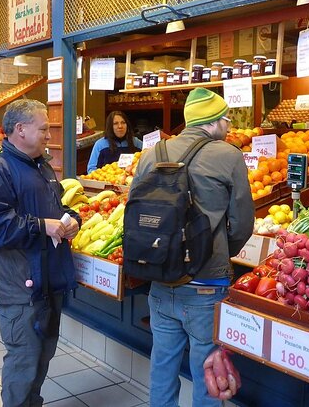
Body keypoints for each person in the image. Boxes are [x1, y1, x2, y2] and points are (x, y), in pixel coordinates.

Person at [130, 87, 254, 406]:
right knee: (209, 373)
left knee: (162, 366)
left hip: (160, 278)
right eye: (225, 119)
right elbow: (242, 224)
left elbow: (135, 209)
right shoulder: (228, 155)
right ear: (211, 122)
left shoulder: (152, 154)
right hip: (206, 285)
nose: (228, 125)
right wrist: (219, 252)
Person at [0, 99, 81, 407]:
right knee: (23, 361)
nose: (49, 135)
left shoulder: (43, 168)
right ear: (20, 130)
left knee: (42, 356)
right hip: (20, 288)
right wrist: (40, 226)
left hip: (48, 282)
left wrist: (72, 219)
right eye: (44, 129)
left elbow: (57, 209)